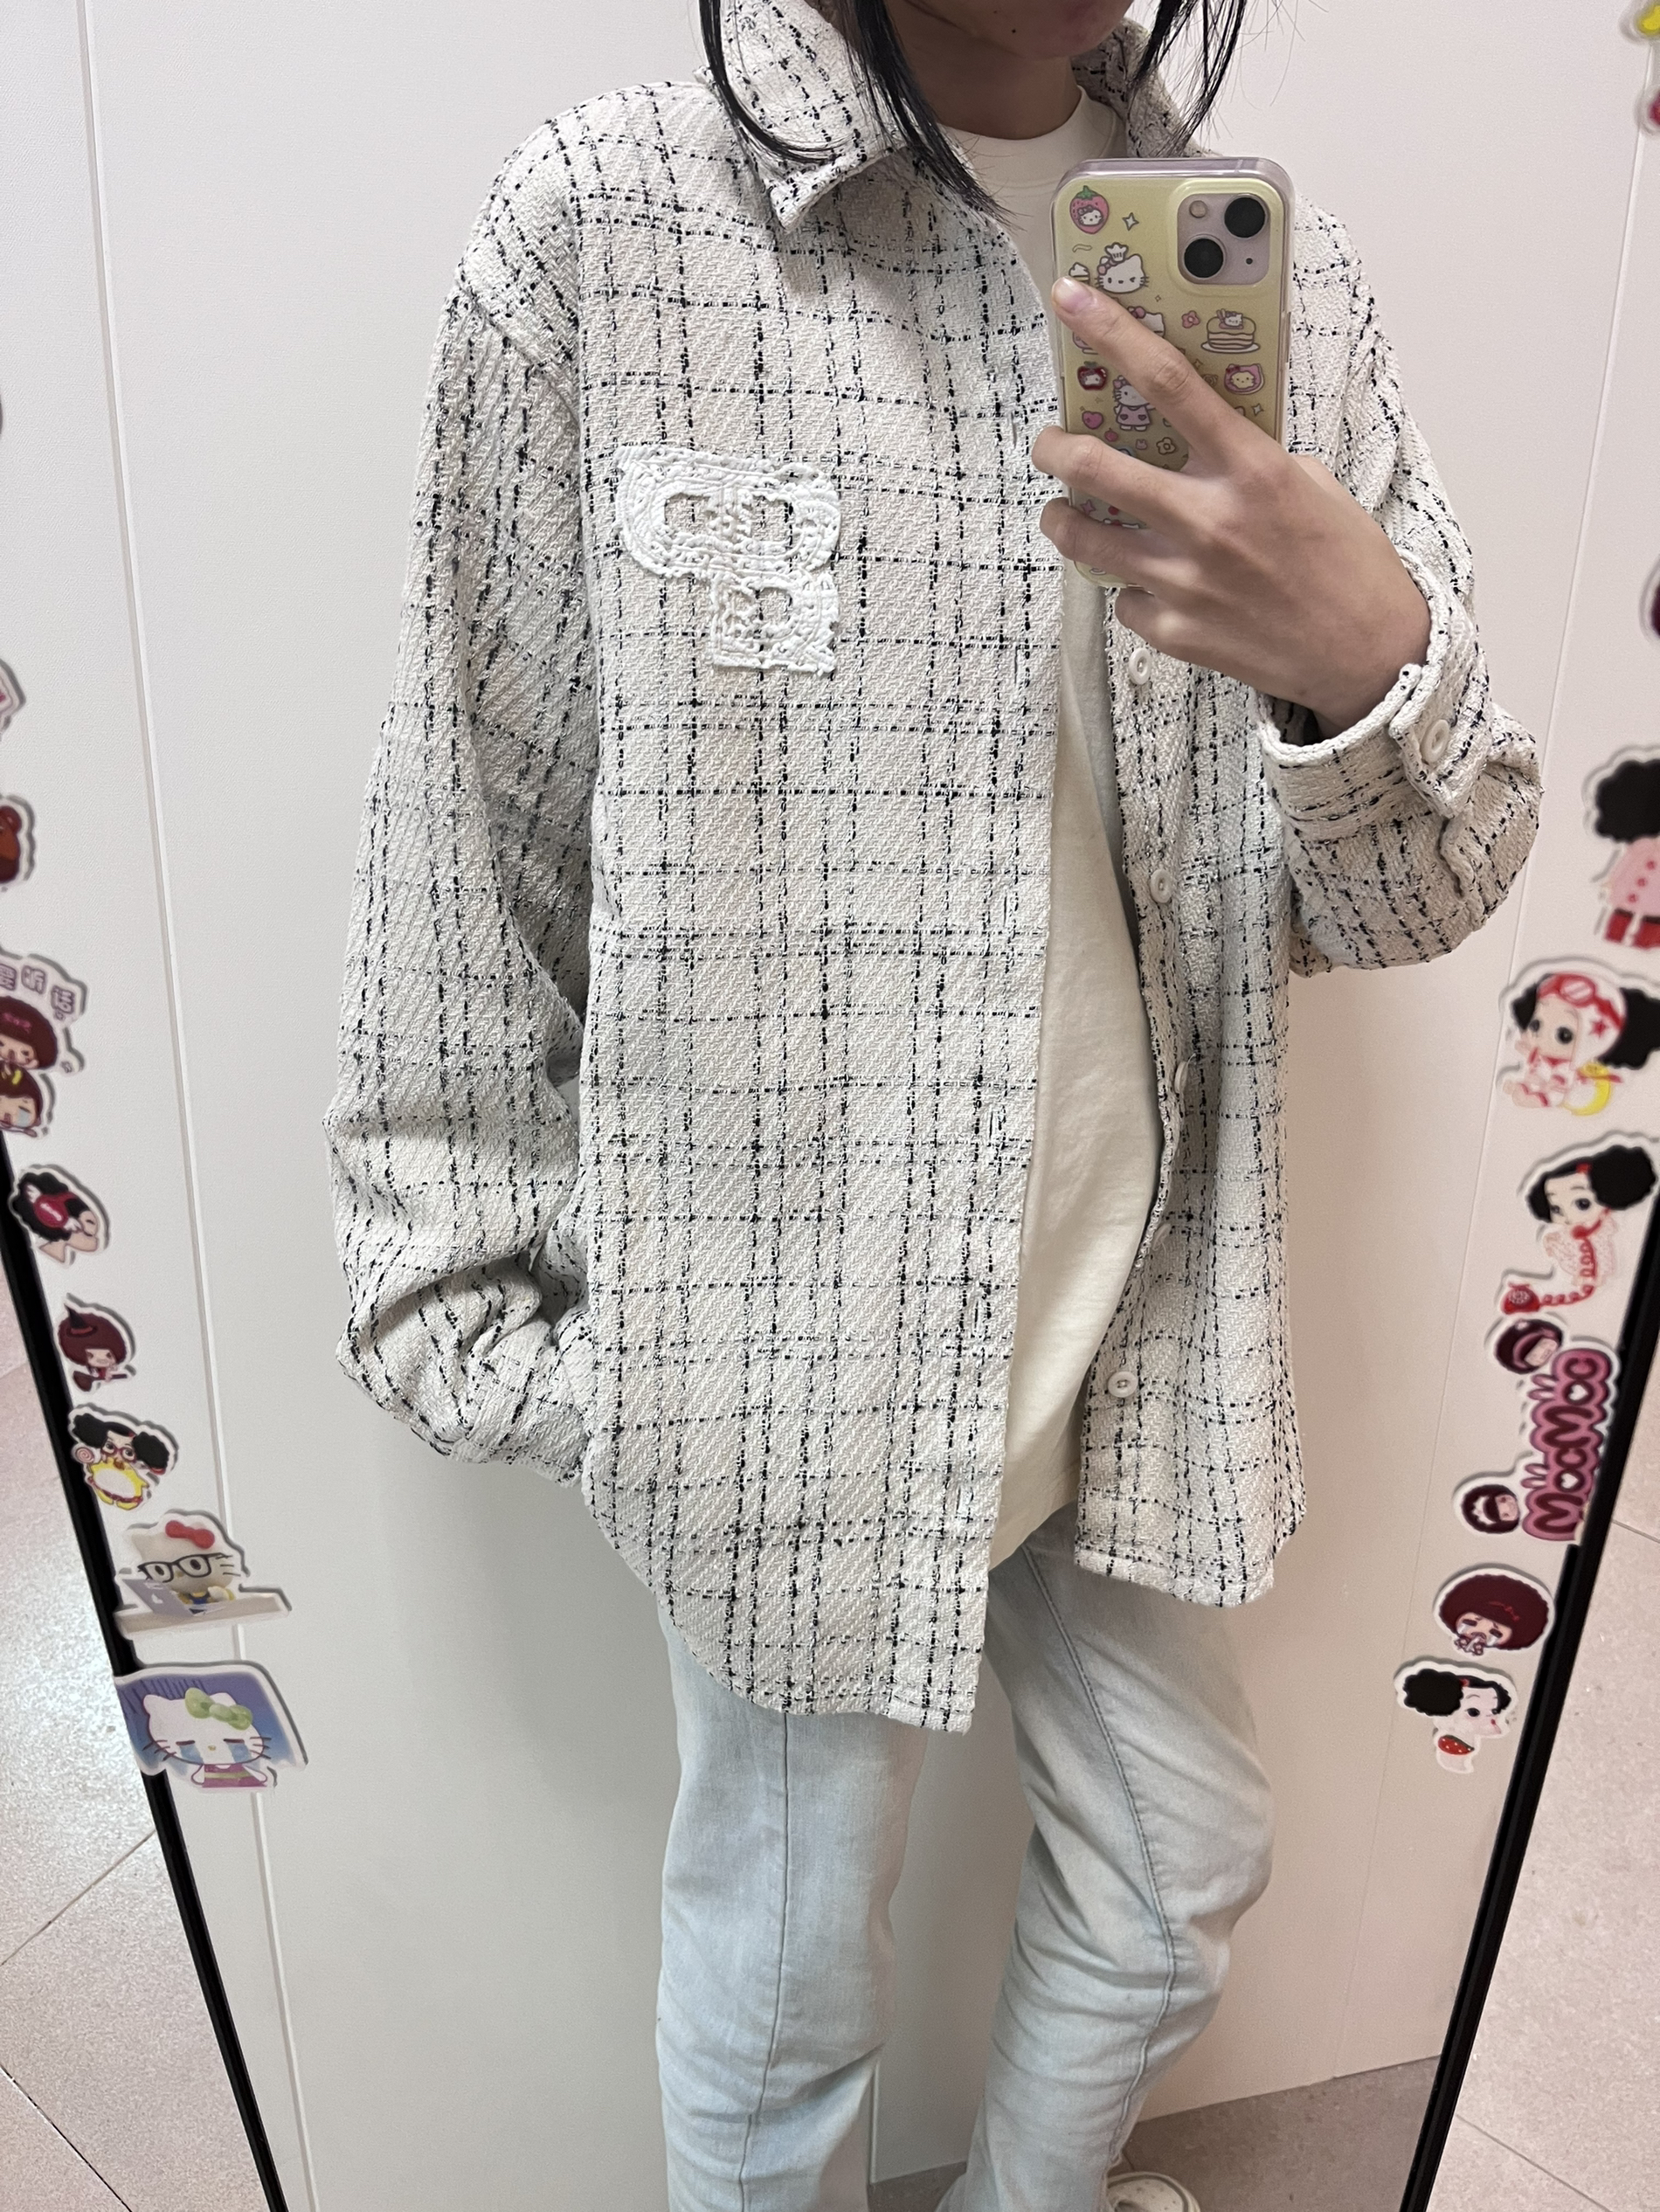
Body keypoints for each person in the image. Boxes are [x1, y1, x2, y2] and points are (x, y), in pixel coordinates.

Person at [323, 1, 1540, 2206]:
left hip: (1123, 1295)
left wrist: (1357, 669)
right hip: (781, 1345)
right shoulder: (610, 232)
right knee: (785, 1973)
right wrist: (520, 1324)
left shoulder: (1270, 286)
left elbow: (1415, 896)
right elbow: (476, 816)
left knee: (1173, 1865)